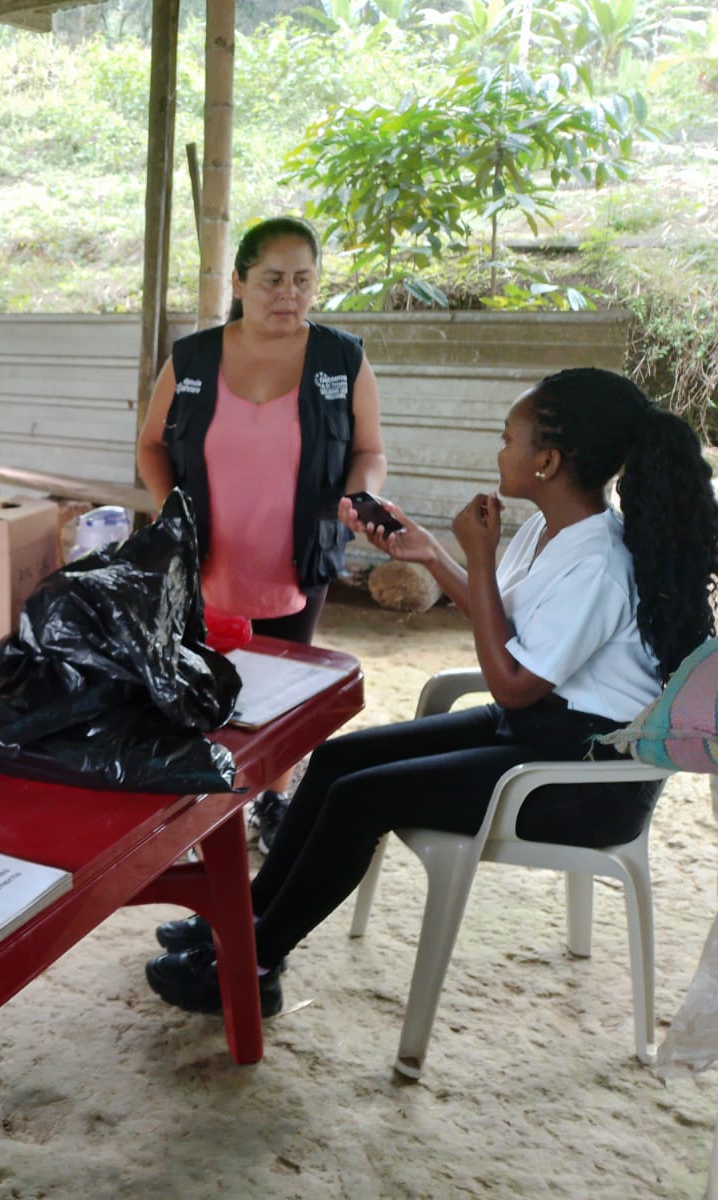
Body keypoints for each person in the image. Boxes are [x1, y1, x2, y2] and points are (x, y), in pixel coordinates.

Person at [146, 368, 718, 1020]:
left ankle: (255, 965)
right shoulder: (550, 529)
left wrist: (479, 557)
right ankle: (242, 920)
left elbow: (513, 685)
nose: (499, 451)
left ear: (548, 462)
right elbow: (502, 622)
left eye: (508, 439)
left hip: (584, 781)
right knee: (336, 760)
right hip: (541, 732)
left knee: (362, 797)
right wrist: (432, 555)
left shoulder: (598, 563)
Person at [136, 216, 387, 849]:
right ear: (240, 282)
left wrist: (361, 495)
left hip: (295, 559)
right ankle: (205, 800)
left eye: (303, 280)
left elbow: (369, 451)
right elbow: (151, 446)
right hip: (204, 562)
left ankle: (273, 800)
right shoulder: (193, 358)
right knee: (200, 682)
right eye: (273, 279)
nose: (288, 294)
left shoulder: (342, 359)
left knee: (282, 692)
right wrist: (173, 518)